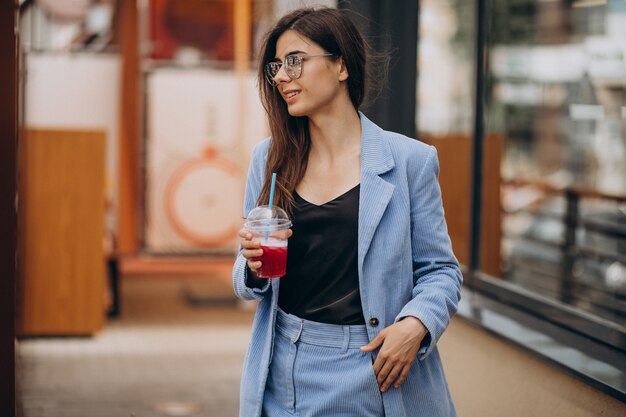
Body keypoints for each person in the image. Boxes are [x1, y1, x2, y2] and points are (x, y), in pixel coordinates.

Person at [232, 7, 462, 417]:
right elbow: (248, 275)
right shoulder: (269, 159)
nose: (282, 76)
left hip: (369, 366)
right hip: (280, 362)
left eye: (295, 61)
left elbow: (441, 270)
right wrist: (251, 265)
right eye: (276, 67)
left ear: (341, 66)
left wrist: (416, 324)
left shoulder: (410, 161)